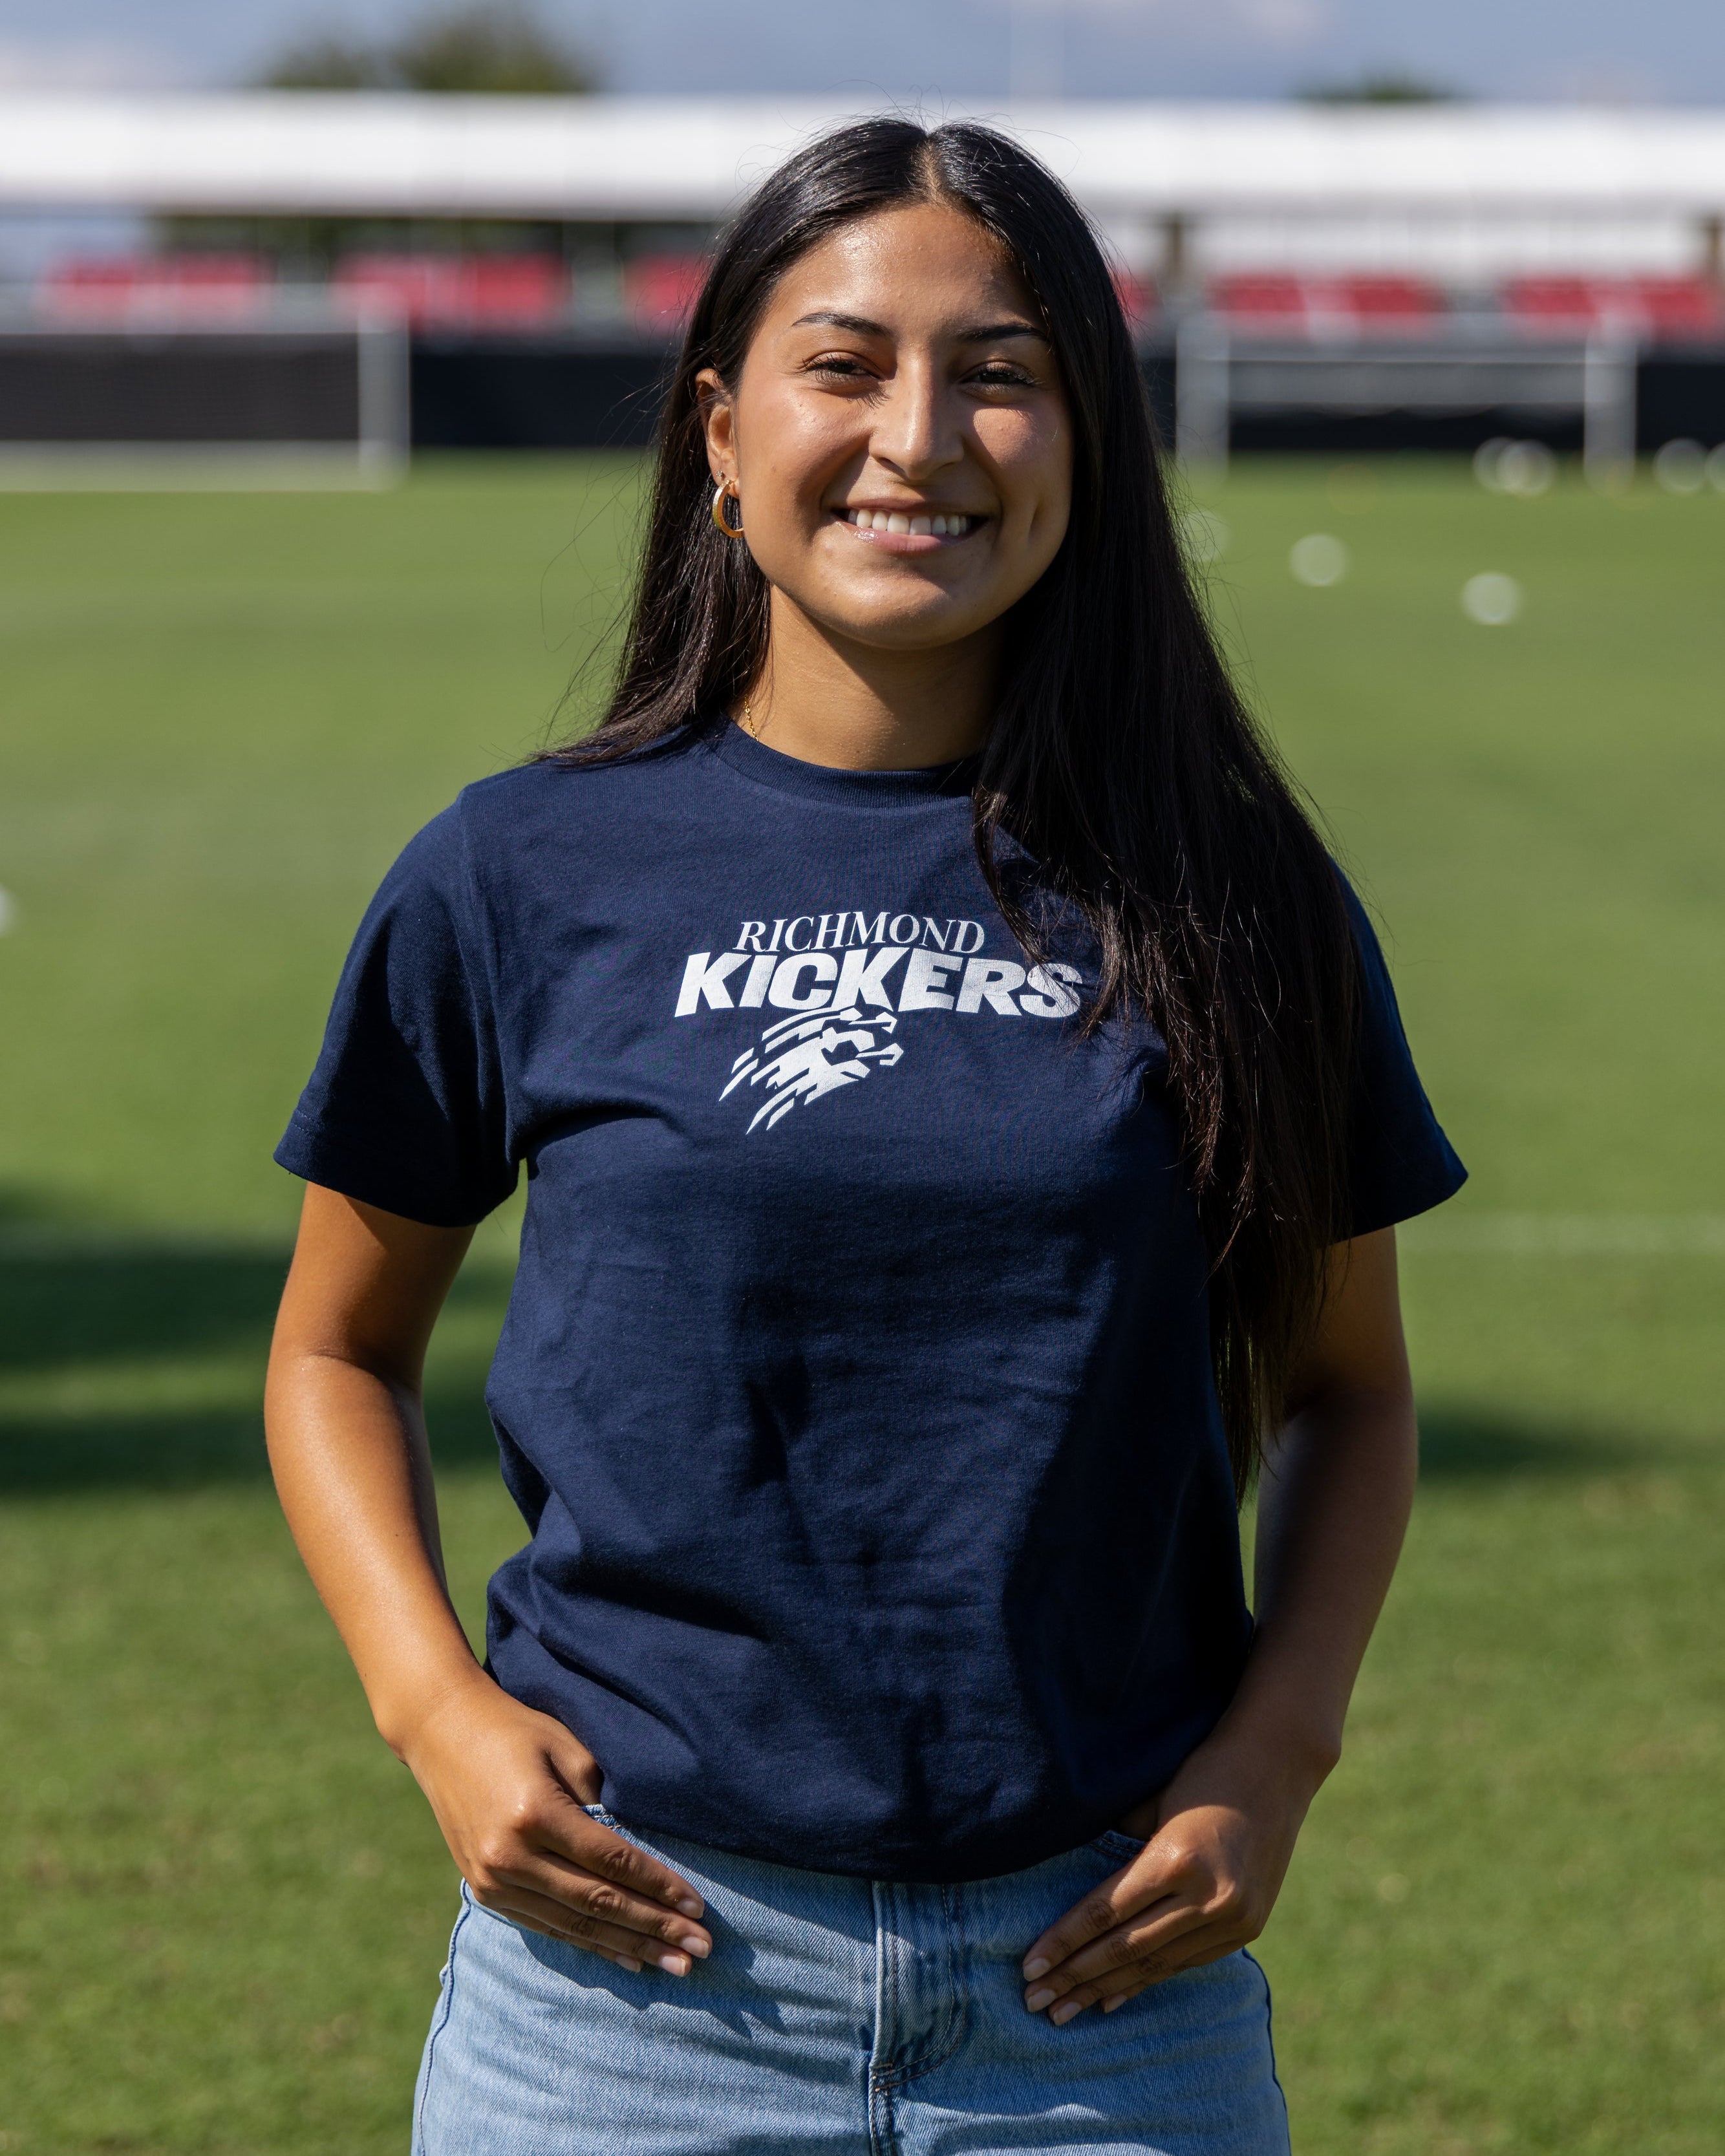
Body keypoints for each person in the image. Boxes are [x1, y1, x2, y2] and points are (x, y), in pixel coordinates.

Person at [265, 118, 1464, 2156]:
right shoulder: (517, 869)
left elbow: (1344, 1391)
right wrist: (436, 1713)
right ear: (719, 436)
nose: (921, 434)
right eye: (844, 364)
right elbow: (331, 1351)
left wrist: (1274, 1753)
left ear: (1086, 445)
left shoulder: (1228, 890)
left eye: (999, 371)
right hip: (627, 1997)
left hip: (1099, 2003)